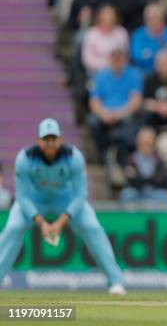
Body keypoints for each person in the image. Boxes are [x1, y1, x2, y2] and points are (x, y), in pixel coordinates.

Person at [0, 119, 125, 295]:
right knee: (13, 228)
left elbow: (81, 194)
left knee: (92, 227)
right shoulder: (25, 158)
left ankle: (116, 281)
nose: (50, 143)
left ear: (60, 140)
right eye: (46, 139)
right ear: (38, 141)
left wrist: (60, 222)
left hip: (66, 199)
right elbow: (22, 196)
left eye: (53, 138)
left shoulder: (74, 157)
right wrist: (41, 222)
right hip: (34, 200)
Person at [87, 48, 143, 163]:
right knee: (92, 121)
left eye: (120, 59)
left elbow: (136, 101)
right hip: (105, 113)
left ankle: (124, 157)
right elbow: (94, 101)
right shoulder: (100, 76)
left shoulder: (133, 75)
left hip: (125, 113)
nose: (117, 62)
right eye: (115, 59)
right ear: (110, 60)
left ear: (125, 60)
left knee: (131, 122)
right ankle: (101, 153)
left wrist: (120, 114)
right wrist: (103, 114)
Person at [120, 127, 167, 203]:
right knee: (127, 194)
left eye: (148, 143)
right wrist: (150, 179)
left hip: (154, 191)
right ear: (137, 142)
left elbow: (162, 179)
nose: (146, 145)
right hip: (136, 191)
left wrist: (139, 178)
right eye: (144, 143)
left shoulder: (159, 160)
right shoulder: (130, 160)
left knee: (164, 196)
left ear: (154, 143)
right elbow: (131, 180)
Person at [131, 3, 167, 75]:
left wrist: (149, 54)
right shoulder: (138, 35)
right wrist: (160, 55)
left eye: (158, 18)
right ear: (145, 20)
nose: (155, 21)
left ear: (164, 19)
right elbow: (137, 57)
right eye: (151, 18)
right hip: (144, 72)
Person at [81, 5, 129, 75]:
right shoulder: (91, 33)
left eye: (111, 19)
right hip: (96, 72)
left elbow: (125, 56)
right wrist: (107, 65)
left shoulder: (122, 33)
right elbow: (87, 59)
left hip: (118, 72)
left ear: (115, 19)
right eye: (105, 19)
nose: (108, 22)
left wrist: (114, 66)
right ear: (99, 19)